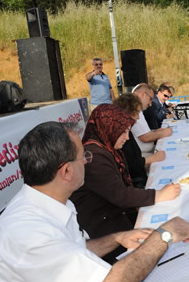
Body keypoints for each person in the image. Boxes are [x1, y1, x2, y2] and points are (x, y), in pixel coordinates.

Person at [0, 121, 189, 282]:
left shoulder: (51, 200)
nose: (86, 161)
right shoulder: (29, 234)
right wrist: (164, 235)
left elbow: (73, 249)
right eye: (83, 156)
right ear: (66, 171)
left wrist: (116, 238)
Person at [69, 105, 180, 263]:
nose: (127, 137)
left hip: (114, 214)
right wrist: (159, 195)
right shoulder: (94, 157)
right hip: (102, 228)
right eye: (124, 132)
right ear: (109, 128)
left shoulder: (106, 147)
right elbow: (120, 195)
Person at [114, 94, 166, 188]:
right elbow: (130, 164)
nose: (138, 117)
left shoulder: (127, 129)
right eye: (137, 113)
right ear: (128, 113)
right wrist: (153, 158)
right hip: (135, 183)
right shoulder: (120, 134)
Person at [131, 83, 173, 155]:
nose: (150, 104)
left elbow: (142, 132)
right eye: (150, 99)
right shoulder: (133, 109)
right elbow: (145, 137)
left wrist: (155, 131)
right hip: (143, 154)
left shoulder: (138, 109)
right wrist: (164, 132)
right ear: (143, 95)